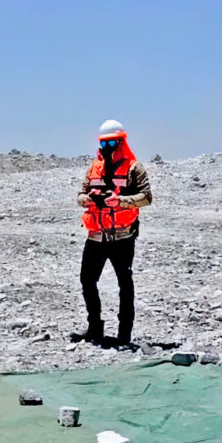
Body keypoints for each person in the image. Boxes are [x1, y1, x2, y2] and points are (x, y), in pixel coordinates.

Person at [71, 119, 153, 348]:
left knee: (125, 284)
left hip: (122, 238)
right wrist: (86, 199)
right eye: (103, 143)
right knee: (87, 280)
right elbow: (80, 194)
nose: (107, 148)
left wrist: (121, 201)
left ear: (122, 142)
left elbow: (146, 197)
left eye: (112, 143)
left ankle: (124, 334)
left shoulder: (134, 168)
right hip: (95, 236)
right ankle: (94, 328)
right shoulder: (93, 167)